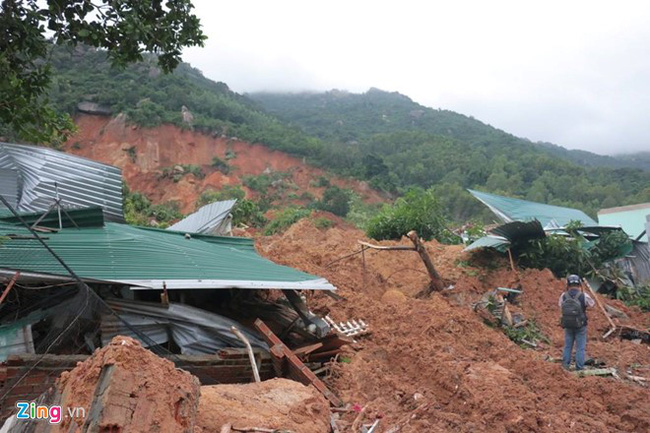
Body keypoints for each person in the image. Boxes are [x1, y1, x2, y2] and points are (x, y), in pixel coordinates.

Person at [559, 274, 595, 370]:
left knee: (567, 346)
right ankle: (579, 368)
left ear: (568, 284)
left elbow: (560, 306)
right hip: (581, 325)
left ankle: (565, 366)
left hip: (568, 325)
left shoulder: (563, 295)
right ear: (579, 284)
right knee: (580, 348)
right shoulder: (584, 295)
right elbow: (592, 304)